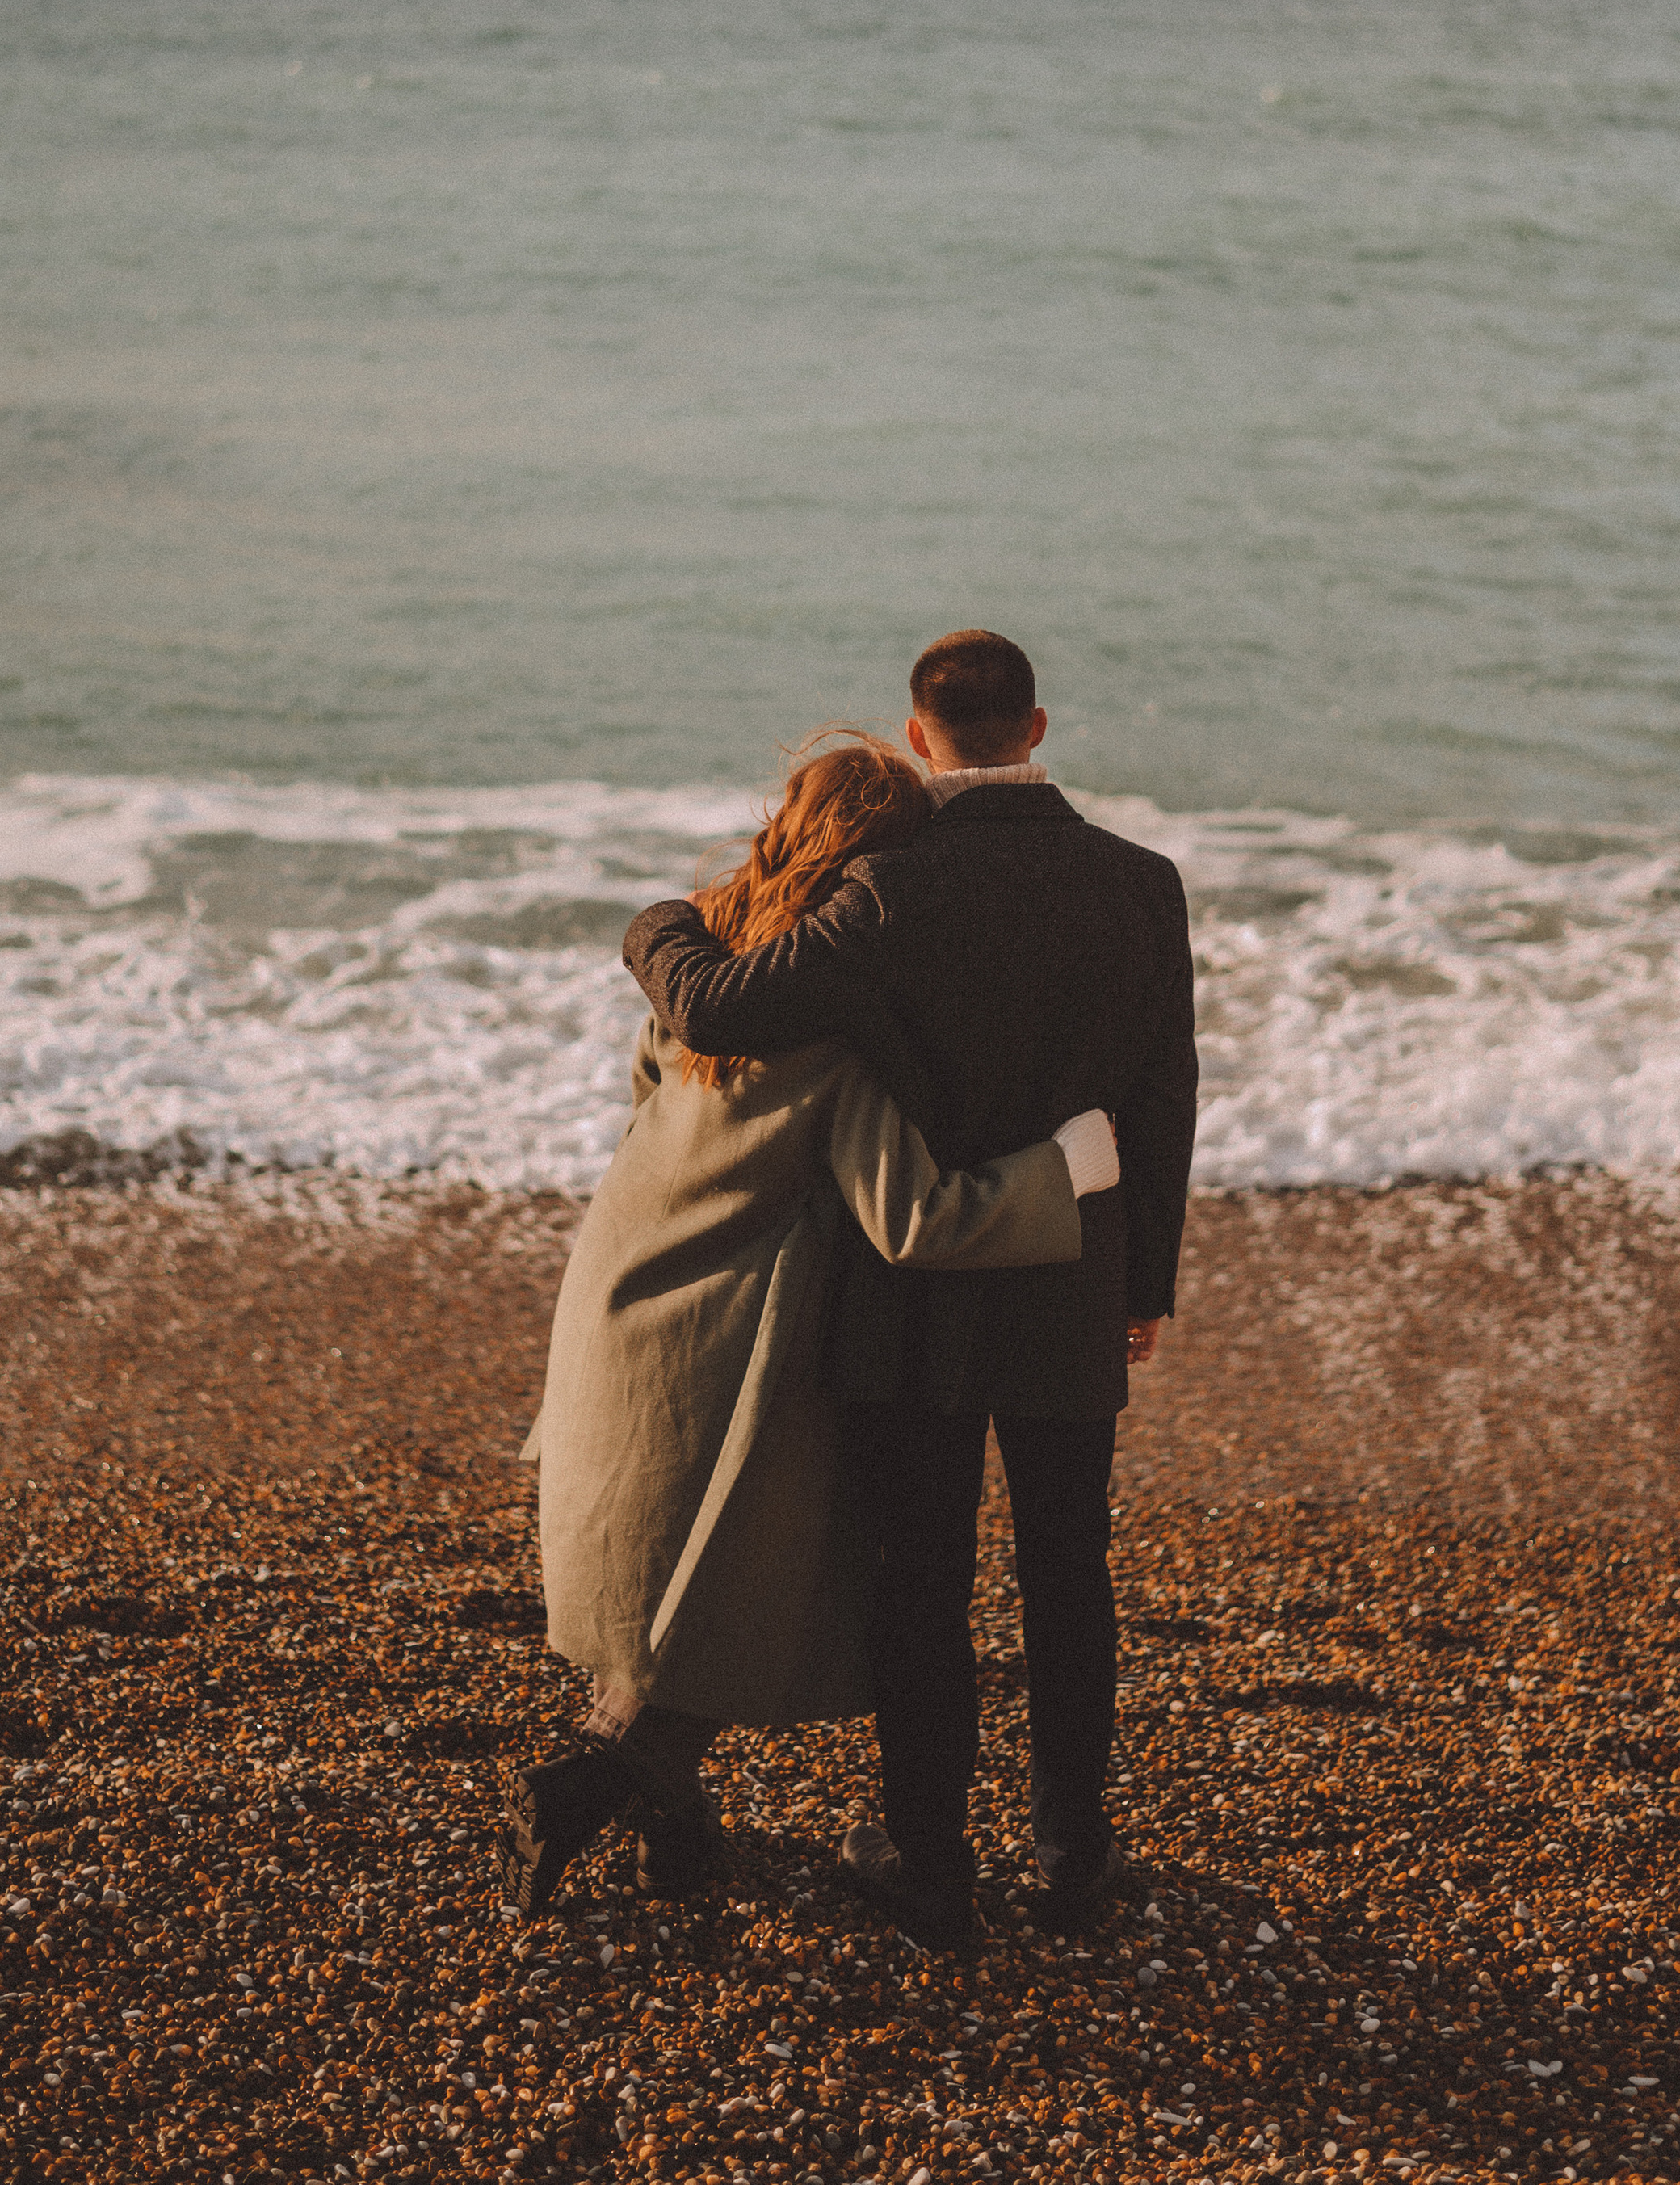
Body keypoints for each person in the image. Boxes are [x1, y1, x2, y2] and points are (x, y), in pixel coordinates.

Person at [624, 629, 1199, 1947]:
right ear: (1037, 730)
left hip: (917, 1287)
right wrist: (1147, 1279)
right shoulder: (1144, 885)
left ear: (922, 735)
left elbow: (714, 1010)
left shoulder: (883, 890)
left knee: (922, 1577)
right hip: (1073, 1274)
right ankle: (1074, 1858)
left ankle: (931, 1864)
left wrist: (655, 922)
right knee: (1070, 1568)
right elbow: (1166, 1094)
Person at [503, 731, 1123, 1919]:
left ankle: (666, 1819)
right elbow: (918, 1219)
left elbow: (650, 1118)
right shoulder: (841, 1036)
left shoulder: (704, 966)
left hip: (621, 1295)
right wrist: (1065, 1168)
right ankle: (598, 1779)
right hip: (732, 1336)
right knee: (741, 1569)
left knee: (665, 1571)